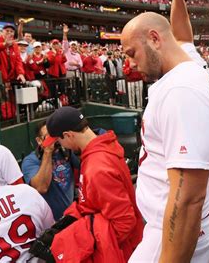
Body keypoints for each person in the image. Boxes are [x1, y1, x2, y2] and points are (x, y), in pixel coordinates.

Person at [121, 11, 209, 262]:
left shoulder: (182, 91)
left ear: (155, 39)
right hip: (194, 221)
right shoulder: (189, 63)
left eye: (132, 53)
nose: (130, 64)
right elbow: (183, 35)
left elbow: (188, 200)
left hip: (173, 233)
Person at [42, 106, 144, 261]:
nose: (61, 146)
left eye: (59, 141)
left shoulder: (97, 167)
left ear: (68, 135)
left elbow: (124, 223)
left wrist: (77, 240)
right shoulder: (100, 148)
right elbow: (94, 202)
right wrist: (70, 219)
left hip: (123, 251)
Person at [22, 121, 80, 221]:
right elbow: (41, 187)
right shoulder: (31, 161)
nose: (54, 140)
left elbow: (84, 164)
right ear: (39, 140)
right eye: (49, 136)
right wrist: (48, 151)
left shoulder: (66, 152)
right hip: (47, 222)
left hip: (70, 215)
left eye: (55, 135)